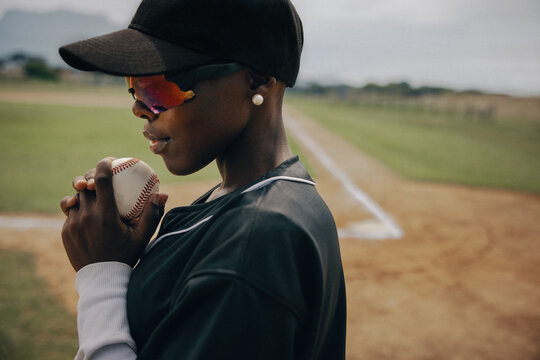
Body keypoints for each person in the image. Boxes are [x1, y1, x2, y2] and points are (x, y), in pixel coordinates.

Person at [59, 0, 346, 359]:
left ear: (257, 80)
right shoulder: (266, 196)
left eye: (160, 86)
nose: (140, 107)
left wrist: (102, 275)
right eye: (136, 84)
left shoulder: (252, 245)